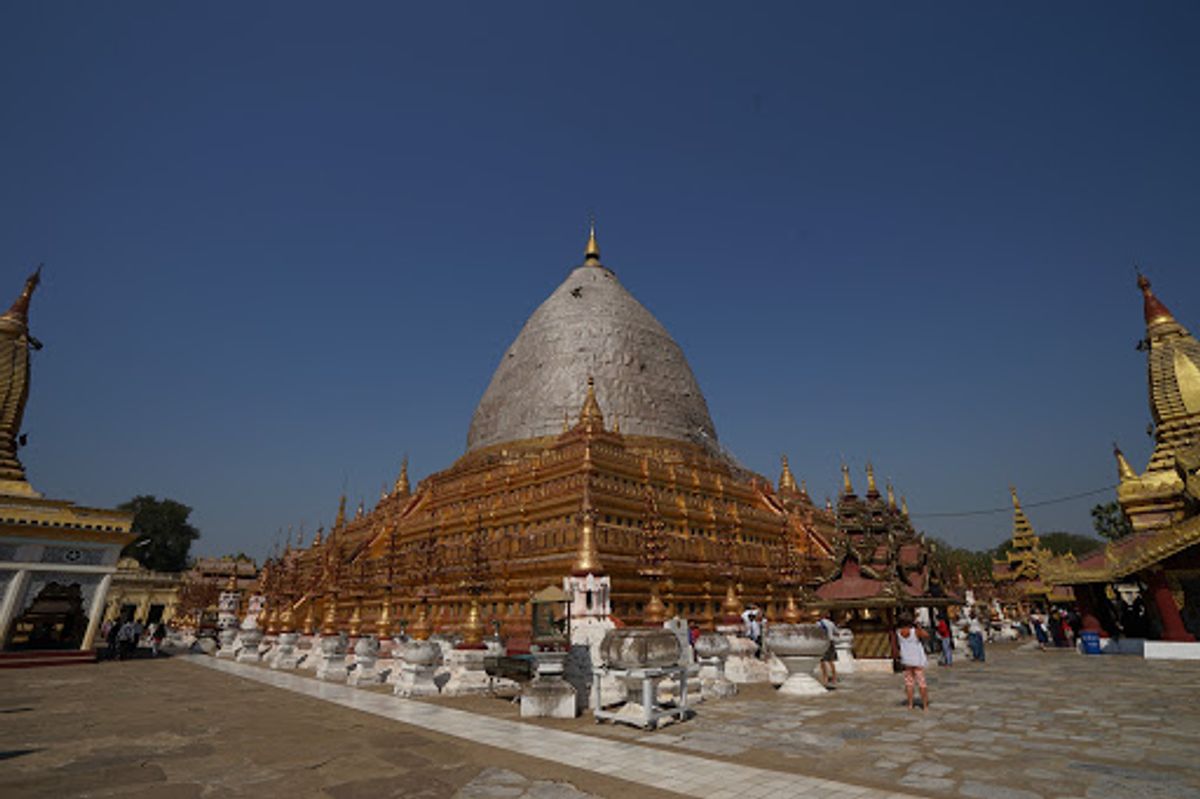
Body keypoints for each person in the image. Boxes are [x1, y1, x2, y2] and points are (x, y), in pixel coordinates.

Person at [895, 613, 930, 711]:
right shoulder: (915, 631)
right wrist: (918, 626)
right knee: (921, 683)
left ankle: (910, 704)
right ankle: (925, 705)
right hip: (917, 660)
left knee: (909, 683)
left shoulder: (898, 632)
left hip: (907, 660)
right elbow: (927, 635)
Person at [817, 610, 838, 686]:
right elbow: (836, 633)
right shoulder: (831, 623)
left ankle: (825, 677)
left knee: (822, 661)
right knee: (831, 661)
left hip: (823, 643)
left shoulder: (818, 624)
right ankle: (834, 677)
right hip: (831, 642)